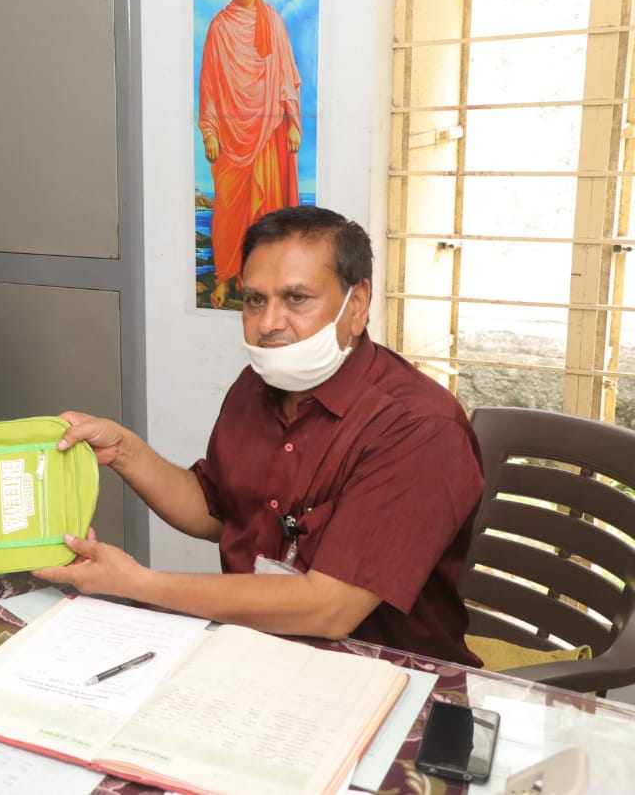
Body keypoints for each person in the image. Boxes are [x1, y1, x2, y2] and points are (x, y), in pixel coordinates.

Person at [36, 206, 484, 667]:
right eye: (254, 301)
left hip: (390, 677)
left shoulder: (418, 427)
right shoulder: (257, 386)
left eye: (296, 299)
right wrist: (124, 450)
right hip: (257, 653)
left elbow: (329, 609)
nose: (269, 323)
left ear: (357, 303)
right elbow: (216, 511)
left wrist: (138, 584)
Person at [197, 0, 302, 309]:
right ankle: (226, 277)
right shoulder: (219, 27)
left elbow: (288, 76)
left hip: (270, 134)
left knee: (267, 212)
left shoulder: (272, 22)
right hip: (230, 140)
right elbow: (208, 84)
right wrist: (209, 131)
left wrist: (292, 123)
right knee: (228, 208)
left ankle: (268, 283)